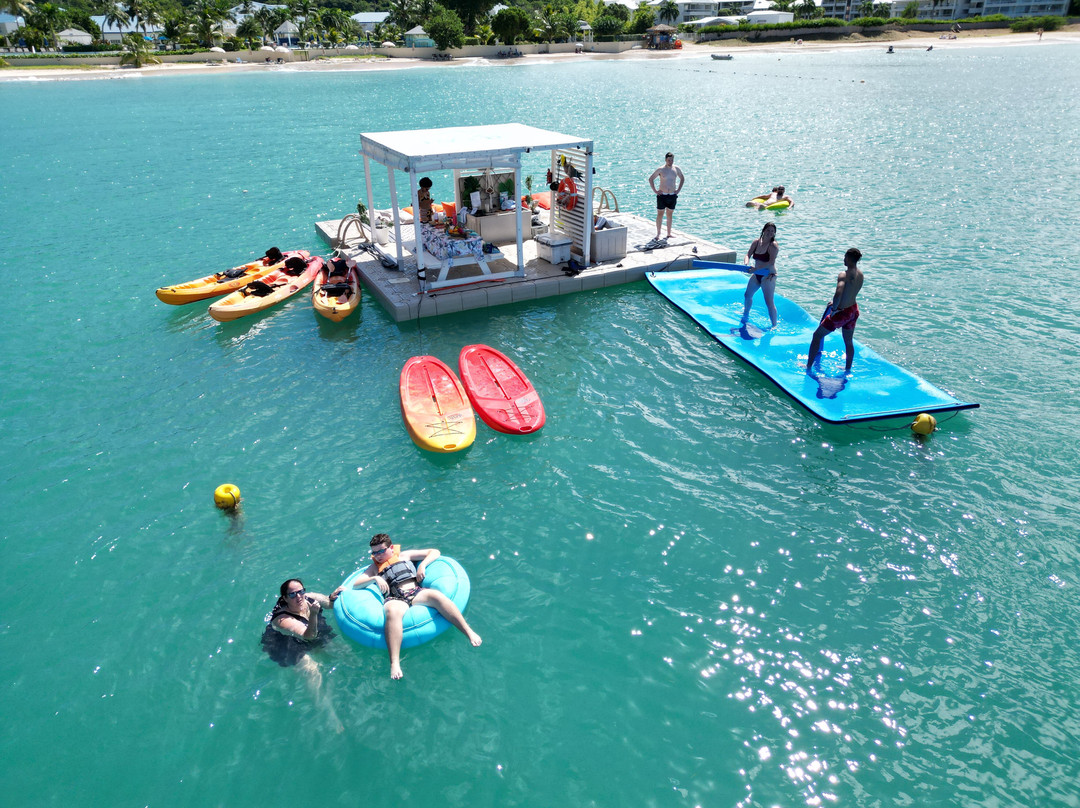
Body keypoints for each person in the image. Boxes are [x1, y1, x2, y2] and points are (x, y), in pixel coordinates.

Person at [331, 533, 482, 680]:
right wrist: (375, 578)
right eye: (374, 552)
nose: (378, 555)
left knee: (437, 596)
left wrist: (422, 565)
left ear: (391, 548)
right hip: (395, 597)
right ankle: (395, 663)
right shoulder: (374, 568)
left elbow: (434, 552)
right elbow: (356, 584)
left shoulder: (404, 555)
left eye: (381, 551)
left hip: (415, 592)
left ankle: (468, 632)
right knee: (392, 611)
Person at [806, 248, 864, 374]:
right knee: (848, 341)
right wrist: (843, 302)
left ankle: (808, 366)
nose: (843, 259)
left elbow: (838, 294)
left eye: (845, 257)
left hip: (842, 312)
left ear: (848, 258)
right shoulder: (860, 274)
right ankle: (848, 369)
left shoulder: (844, 275)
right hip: (853, 310)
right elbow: (852, 291)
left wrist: (834, 309)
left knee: (817, 336)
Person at [741, 222, 779, 328]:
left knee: (769, 302)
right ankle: (746, 314)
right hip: (757, 273)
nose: (770, 233)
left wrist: (756, 269)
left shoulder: (773, 246)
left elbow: (770, 262)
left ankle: (774, 325)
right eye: (768, 230)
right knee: (747, 295)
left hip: (768, 275)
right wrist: (746, 264)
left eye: (772, 231)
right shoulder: (756, 242)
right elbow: (748, 254)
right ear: (763, 230)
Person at [648, 152, 684, 241]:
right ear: (665, 160)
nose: (670, 162)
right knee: (660, 214)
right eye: (669, 160)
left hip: (672, 195)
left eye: (672, 160)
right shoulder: (661, 169)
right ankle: (658, 233)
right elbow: (651, 179)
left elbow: (682, 178)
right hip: (662, 195)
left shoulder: (676, 169)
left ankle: (669, 233)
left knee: (669, 214)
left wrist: (678, 190)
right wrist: (655, 190)